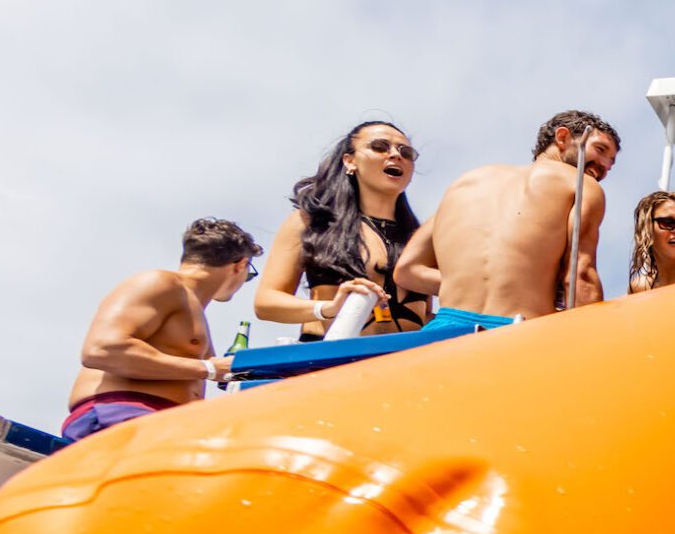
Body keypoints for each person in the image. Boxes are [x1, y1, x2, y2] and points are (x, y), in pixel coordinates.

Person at [398, 111, 618, 325]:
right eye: (600, 150)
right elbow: (581, 274)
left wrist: (468, 281)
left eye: (611, 163)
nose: (605, 167)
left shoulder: (468, 182)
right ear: (562, 137)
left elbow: (407, 270)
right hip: (516, 335)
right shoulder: (580, 184)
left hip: (445, 333)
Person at [61, 218, 260, 445]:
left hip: (159, 424)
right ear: (240, 266)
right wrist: (209, 368)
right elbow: (101, 350)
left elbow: (216, 368)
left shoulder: (193, 312)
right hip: (122, 416)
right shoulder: (160, 283)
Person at [254, 121, 431, 340]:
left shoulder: (420, 236)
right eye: (379, 147)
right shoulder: (311, 222)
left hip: (406, 364)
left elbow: (427, 312)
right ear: (350, 161)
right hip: (330, 363)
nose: (395, 155)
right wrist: (328, 308)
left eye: (406, 152)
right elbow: (266, 302)